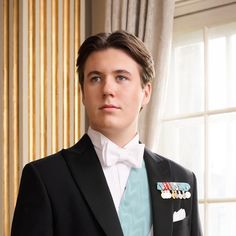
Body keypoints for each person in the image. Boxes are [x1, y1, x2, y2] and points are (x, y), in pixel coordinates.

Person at [11, 30, 202, 236]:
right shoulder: (45, 178)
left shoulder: (182, 179)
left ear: (146, 92)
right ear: (83, 93)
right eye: (95, 78)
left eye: (121, 77)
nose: (107, 89)